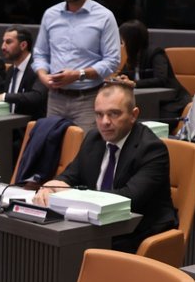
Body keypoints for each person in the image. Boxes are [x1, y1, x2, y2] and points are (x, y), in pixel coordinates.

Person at [34, 79, 176, 252]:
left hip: (137, 234)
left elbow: (128, 198)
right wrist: (51, 186)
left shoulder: (151, 149)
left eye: (114, 114)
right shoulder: (93, 139)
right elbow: (70, 175)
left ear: (133, 115)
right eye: (99, 114)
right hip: (97, 229)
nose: (104, 122)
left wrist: (73, 194)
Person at [34, 0, 121, 131]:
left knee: (85, 146)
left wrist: (78, 74)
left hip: (87, 98)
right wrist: (43, 75)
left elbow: (112, 61)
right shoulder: (51, 15)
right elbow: (40, 54)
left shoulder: (104, 17)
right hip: (55, 98)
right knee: (51, 145)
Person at [121, 20, 189, 123]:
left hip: (170, 101)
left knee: (152, 121)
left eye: (123, 40)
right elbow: (124, 74)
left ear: (131, 40)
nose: (122, 44)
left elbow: (161, 79)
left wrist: (134, 83)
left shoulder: (156, 53)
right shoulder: (132, 56)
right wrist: (120, 79)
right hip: (146, 100)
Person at [0, 26, 44, 117]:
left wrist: (4, 97)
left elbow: (36, 96)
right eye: (3, 42)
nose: (3, 47)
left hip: (30, 123)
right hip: (7, 122)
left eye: (8, 42)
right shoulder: (11, 70)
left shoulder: (39, 68)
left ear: (23, 45)